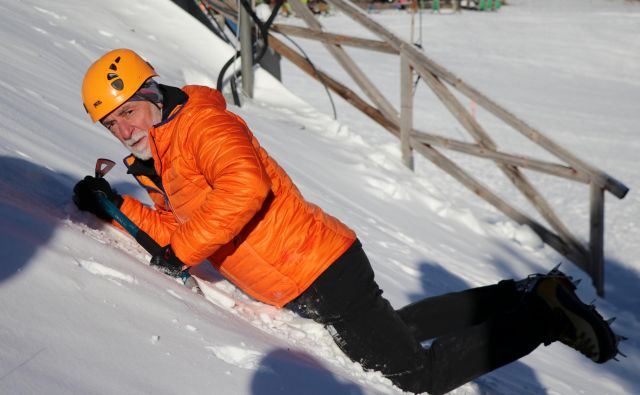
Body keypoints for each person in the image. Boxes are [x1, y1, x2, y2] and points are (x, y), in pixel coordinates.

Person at [74, 48, 620, 394]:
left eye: (126, 112)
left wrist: (183, 248)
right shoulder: (159, 157)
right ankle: (522, 294)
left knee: (415, 378)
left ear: (149, 93)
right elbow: (175, 234)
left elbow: (245, 188)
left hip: (316, 268)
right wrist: (115, 206)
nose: (121, 129)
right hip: (311, 269)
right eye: (110, 122)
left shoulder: (203, 127)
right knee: (396, 330)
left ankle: (543, 316)